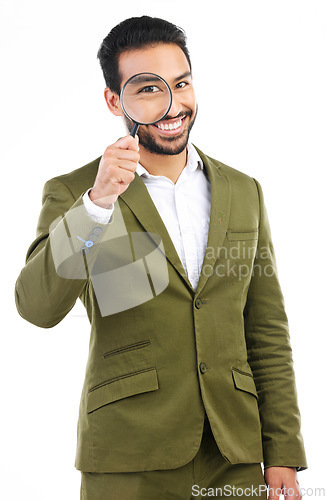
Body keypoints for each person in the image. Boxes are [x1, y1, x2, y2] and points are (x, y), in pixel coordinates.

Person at [15, 15, 307, 500]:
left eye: (182, 83)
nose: (173, 104)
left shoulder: (243, 190)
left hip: (233, 455)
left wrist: (283, 452)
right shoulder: (75, 193)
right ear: (115, 100)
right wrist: (98, 203)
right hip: (129, 455)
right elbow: (37, 307)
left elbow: (267, 328)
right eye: (149, 88)